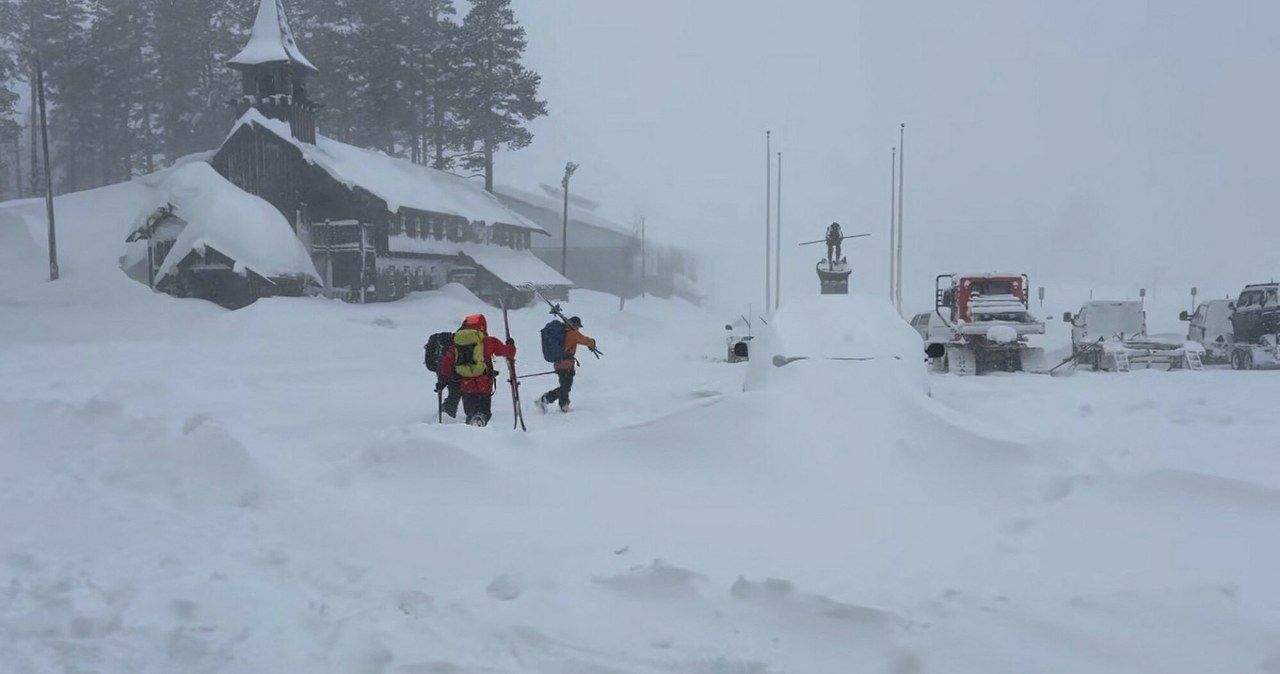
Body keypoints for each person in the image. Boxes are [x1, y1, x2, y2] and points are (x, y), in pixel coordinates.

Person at [438, 313, 517, 427]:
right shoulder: (487, 341)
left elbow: (447, 361)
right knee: (484, 410)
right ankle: (480, 422)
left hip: (466, 383)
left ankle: (471, 429)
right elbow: (509, 352)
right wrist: (510, 344)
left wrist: (443, 379)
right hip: (484, 382)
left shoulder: (456, 342)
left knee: (470, 410)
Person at [536, 316, 597, 413]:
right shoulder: (573, 333)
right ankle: (553, 402)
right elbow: (584, 340)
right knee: (565, 387)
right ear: (575, 325)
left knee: (565, 386)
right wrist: (593, 342)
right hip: (566, 365)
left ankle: (559, 404)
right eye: (578, 326)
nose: (578, 329)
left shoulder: (564, 332)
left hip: (559, 363)